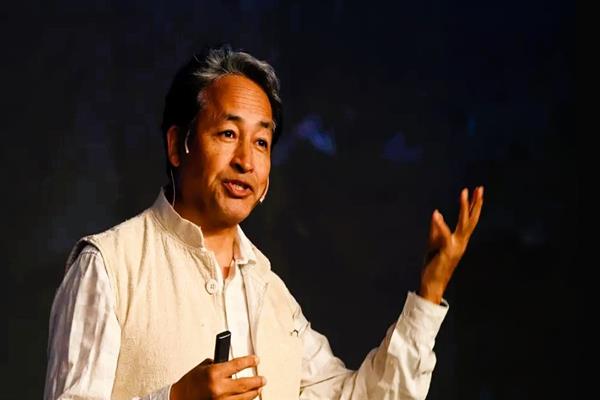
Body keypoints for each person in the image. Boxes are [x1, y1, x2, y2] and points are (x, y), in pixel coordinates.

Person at [44, 45, 483, 400]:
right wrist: (174, 399)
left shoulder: (271, 295)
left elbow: (359, 397)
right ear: (178, 145)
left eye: (261, 142)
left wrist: (429, 293)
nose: (246, 161)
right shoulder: (108, 266)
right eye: (228, 134)